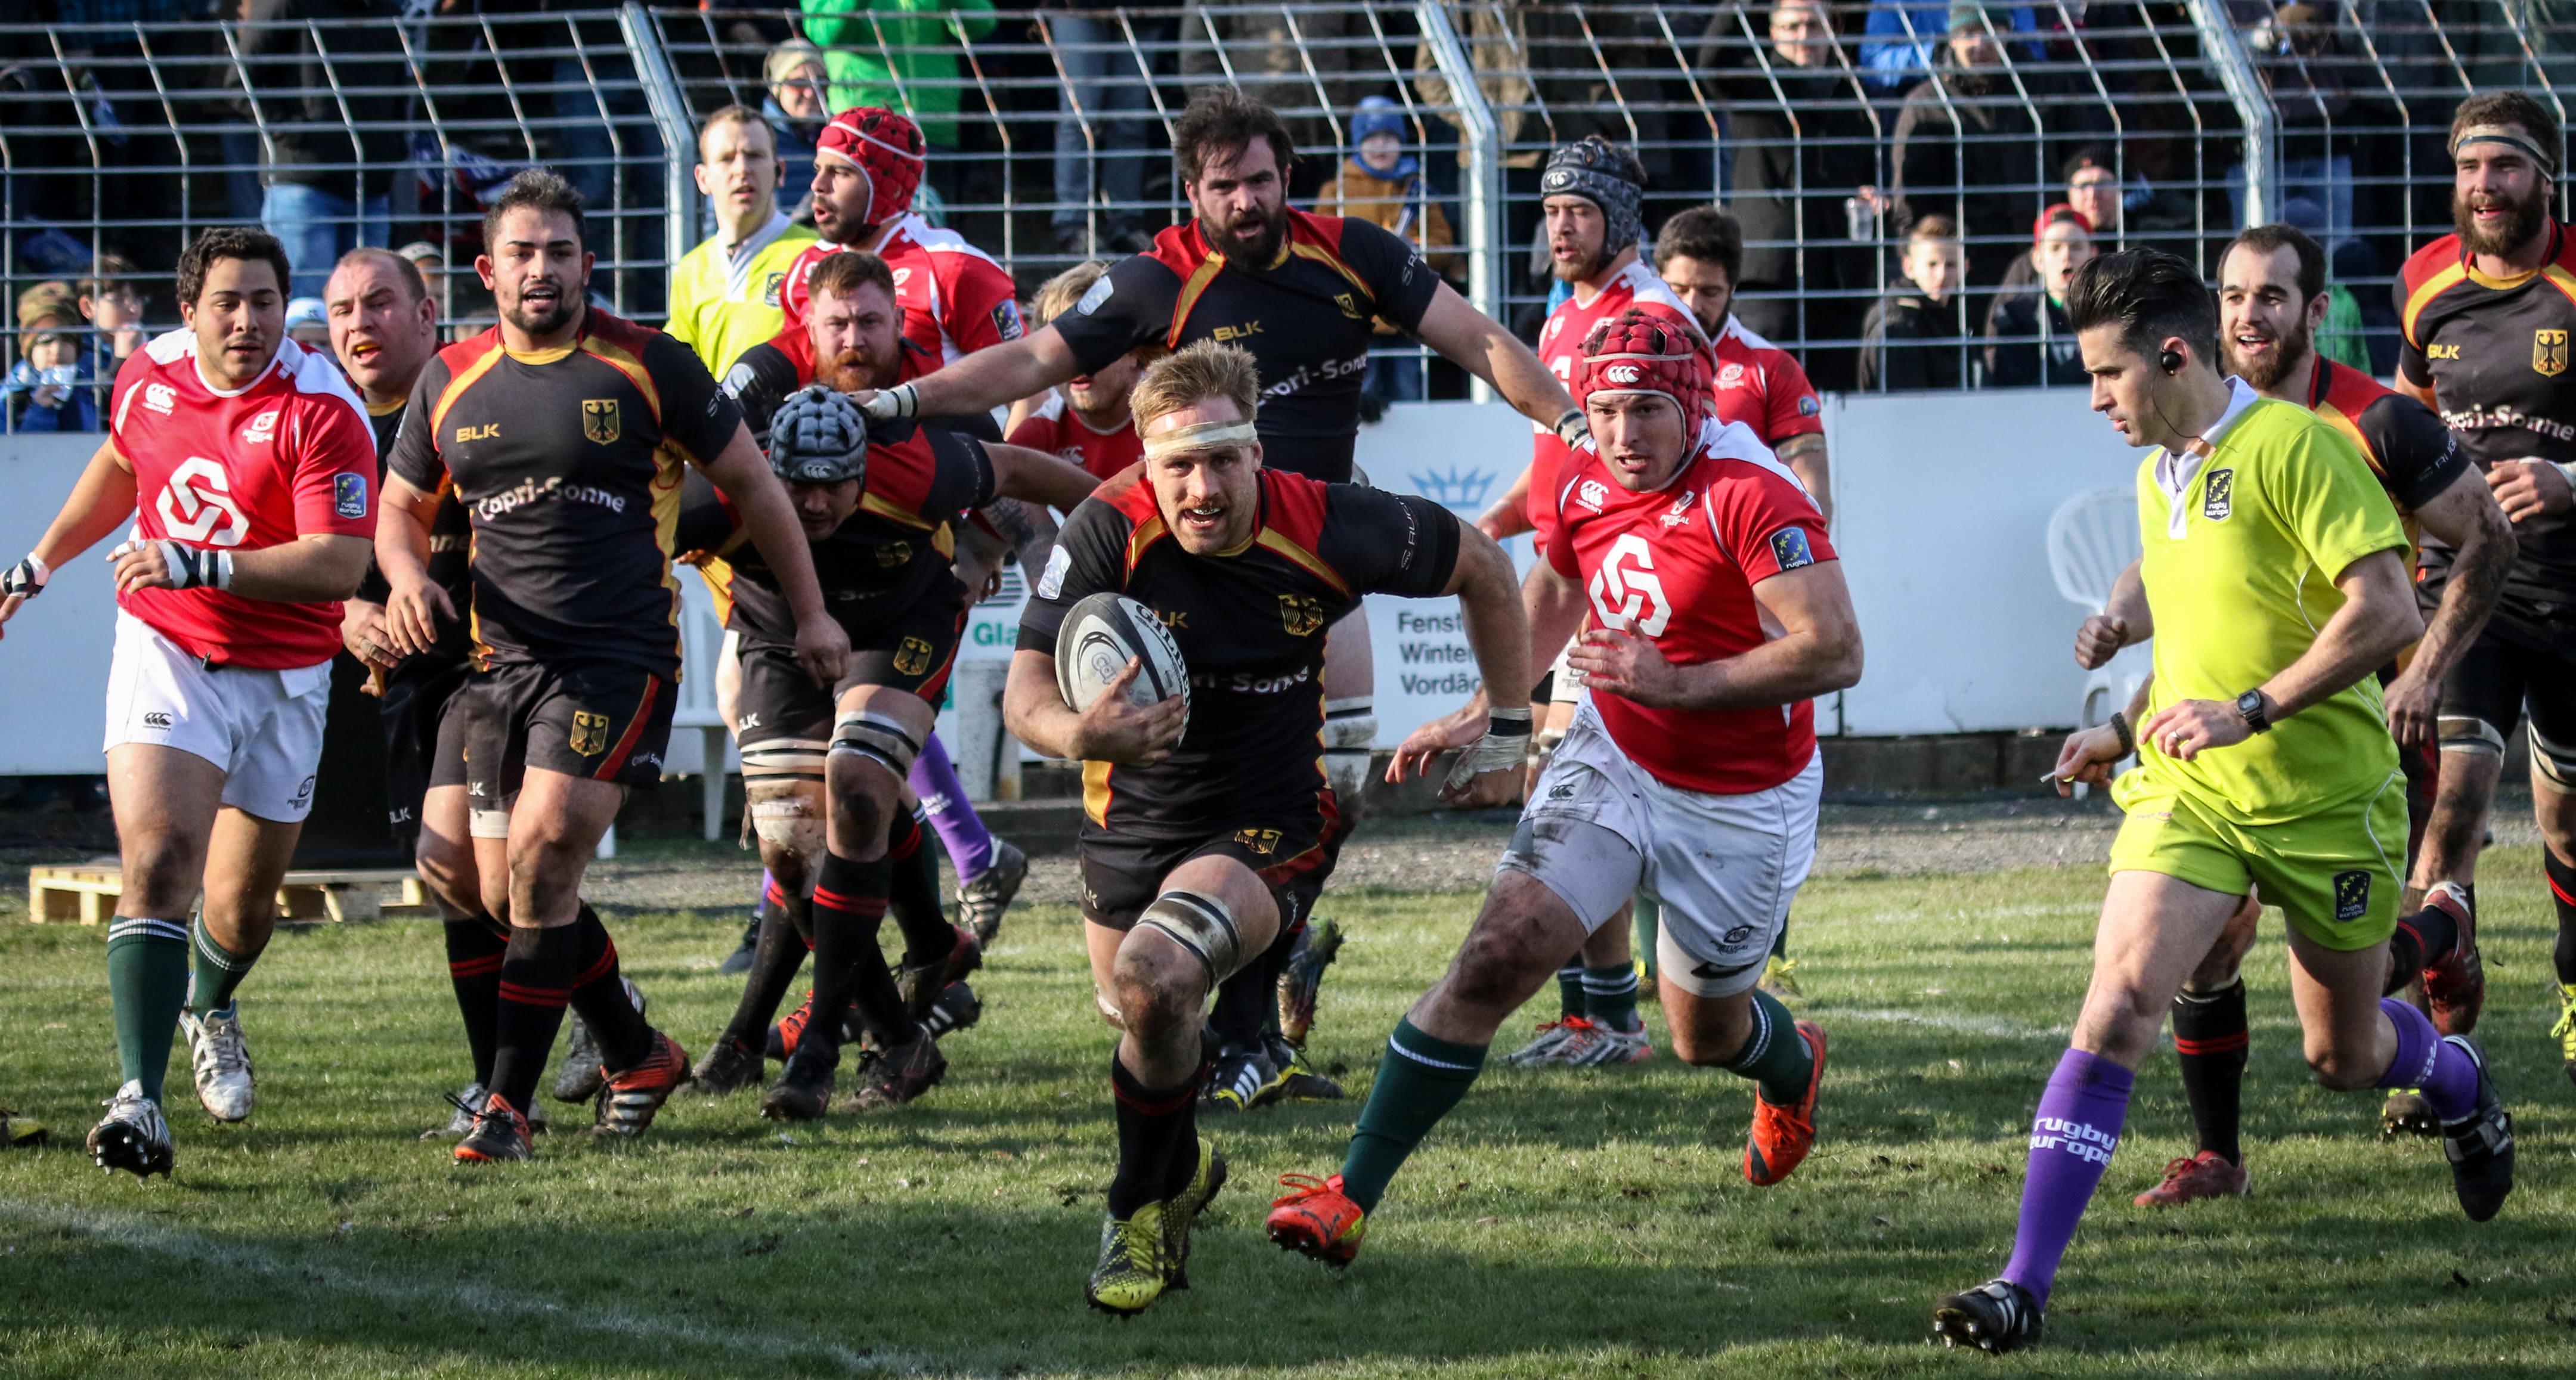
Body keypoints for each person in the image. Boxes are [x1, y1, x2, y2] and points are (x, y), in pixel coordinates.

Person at [866, 86, 1578, 1097]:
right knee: (1139, 973)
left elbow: (1481, 341)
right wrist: (903, 400)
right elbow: (1029, 358)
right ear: (1191, 193)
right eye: (1222, 186)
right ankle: (1219, 1001)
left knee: (1332, 787)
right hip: (1193, 567)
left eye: (1258, 180)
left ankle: (1251, 1027)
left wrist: (1571, 421)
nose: (1244, 201)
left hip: (1316, 543)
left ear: (1287, 176)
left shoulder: (1355, 254)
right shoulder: (1159, 277)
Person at [1931, 249, 2515, 1354]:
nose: (2094, 400)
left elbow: (2390, 610)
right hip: (2192, 795)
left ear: (2172, 356)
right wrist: (2122, 728)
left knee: (2344, 1056)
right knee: (2118, 1004)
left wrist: (2254, 710)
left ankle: (2455, 1073)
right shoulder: (2161, 473)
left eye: (2106, 375)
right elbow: (2202, 645)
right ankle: (2021, 1285)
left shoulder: (2298, 446)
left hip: (2326, 798)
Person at [1267, 303, 1860, 1267]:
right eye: (1607, 411)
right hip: (1614, 756)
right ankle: (1350, 1195)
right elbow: (1553, 588)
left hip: (1743, 796)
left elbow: (1835, 650)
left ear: (1695, 407)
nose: (1623, 434)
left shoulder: (1754, 493)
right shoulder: (1582, 471)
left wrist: (1681, 684)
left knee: (1704, 1035)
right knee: (1494, 957)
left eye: (1647, 411)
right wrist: (1491, 707)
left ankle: (1792, 1068)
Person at [1005, 339, 1534, 1314]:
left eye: (1223, 460)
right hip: (1132, 815)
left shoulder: (1329, 520)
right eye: (1179, 466)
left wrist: (1507, 730)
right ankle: (1179, 1169)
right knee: (1144, 1021)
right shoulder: (1106, 529)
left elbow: (1487, 569)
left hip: (1270, 812)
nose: (1203, 488)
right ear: (1146, 464)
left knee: (1159, 975)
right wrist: (1080, 733)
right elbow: (1025, 690)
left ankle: (1133, 1217)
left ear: (1257, 452)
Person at [376, 170, 847, 1164]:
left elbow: (756, 487)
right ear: (487, 271)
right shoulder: (449, 378)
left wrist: (811, 613)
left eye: (559, 251)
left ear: (587, 264)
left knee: (544, 857)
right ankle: (635, 1048)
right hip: (494, 665)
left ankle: (507, 1109)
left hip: (615, 659)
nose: (540, 269)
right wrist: (408, 577)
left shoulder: (649, 364)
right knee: (467, 877)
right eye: (521, 252)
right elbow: (399, 508)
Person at [2075, 222, 2516, 1204]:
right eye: (2233, 295)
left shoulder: (2374, 424)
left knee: (2345, 1036)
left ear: (2315, 309)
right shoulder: (2186, 436)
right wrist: (2124, 713)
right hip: (2225, 752)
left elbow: (2486, 538)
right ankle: (2219, 1155)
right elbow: (2201, 608)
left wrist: (2425, 672)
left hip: (2359, 723)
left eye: (2271, 296)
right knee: (2200, 944)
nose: (2250, 314)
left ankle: (2436, 933)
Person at [0, 227, 379, 1177]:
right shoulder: (148, 375)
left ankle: (209, 1003)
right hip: (168, 647)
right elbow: (123, 462)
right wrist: (41, 561)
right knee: (162, 856)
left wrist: (196, 558)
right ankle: (140, 1097)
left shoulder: (324, 407)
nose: (248, 321)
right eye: (228, 303)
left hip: (287, 671)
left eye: (265, 302)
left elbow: (338, 563)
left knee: (242, 911)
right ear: (189, 312)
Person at [685, 250, 1095, 1113]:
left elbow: (1021, 473)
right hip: (775, 632)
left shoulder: (920, 456)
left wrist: (1122, 522)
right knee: (793, 849)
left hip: (898, 621)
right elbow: (630, 526)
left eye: (836, 488)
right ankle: (904, 1024)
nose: (817, 506)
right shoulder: (725, 477)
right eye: (798, 491)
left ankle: (816, 1052)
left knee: (860, 787)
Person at [1475, 136, 1705, 1068]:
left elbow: (1677, 455)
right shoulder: (1568, 314)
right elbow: (1561, 457)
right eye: (1550, 211)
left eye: (1579, 210)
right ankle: (1597, 1012)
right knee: (1563, 796)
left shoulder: (1651, 316)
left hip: (1614, 583)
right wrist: (1501, 518)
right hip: (1570, 567)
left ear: (1621, 216)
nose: (1560, 228)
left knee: (1572, 799)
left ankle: (1612, 1017)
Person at [322, 245, 531, 1139]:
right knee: (452, 876)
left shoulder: (477, 395)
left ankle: (570, 1046)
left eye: (379, 303)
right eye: (342, 311)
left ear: (426, 314)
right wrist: (345, 613)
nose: (359, 325)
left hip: (496, 667)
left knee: (512, 872)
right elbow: (313, 554)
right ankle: (529, 1063)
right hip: (408, 680)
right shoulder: (328, 423)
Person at [2391, 92, 2576, 1085]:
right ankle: (2441, 1051)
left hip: (2571, 595)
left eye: (2503, 167)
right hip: (2467, 595)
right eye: (2468, 168)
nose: (2484, 187)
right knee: (2450, 811)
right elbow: (2404, 427)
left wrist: (2569, 480)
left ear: (2547, 176)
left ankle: (2575, 988)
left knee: (2567, 828)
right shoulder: (2425, 284)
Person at [781, 107, 1025, 373]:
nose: (818, 185)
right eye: (818, 169)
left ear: (890, 189)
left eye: (840, 172)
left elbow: (1025, 380)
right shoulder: (806, 267)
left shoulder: (954, 268)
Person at [233, 0, 406, 299]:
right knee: (306, 310)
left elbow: (399, 80)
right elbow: (240, 82)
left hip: (372, 185)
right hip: (303, 184)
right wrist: (293, 133)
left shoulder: (386, 7)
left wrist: (394, 142)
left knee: (371, 307)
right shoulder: (285, 4)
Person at [1314, 95, 1463, 405]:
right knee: (1360, 395)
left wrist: (1416, 250)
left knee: (1410, 392)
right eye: (1372, 138)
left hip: (1406, 315)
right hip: (1356, 316)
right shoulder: (1337, 189)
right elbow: (1318, 247)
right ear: (1358, 142)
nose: (1381, 146)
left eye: (1389, 137)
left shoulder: (1417, 189)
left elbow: (1443, 246)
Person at [1888, 4, 2046, 290]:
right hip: (1958, 270)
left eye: (1991, 31)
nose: (1980, 43)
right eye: (1969, 32)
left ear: (2008, 33)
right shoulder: (1925, 106)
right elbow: (1910, 204)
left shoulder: (2045, 90)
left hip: (2040, 261)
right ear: (1952, 38)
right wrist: (1923, 268)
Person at [667, 106, 819, 380]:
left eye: (755, 156)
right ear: (703, 179)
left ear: (780, 172)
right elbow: (677, 371)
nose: (742, 169)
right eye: (727, 159)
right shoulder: (691, 270)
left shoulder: (815, 255)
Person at [797, 0, 998, 203]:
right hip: (863, 133)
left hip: (932, 127)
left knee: (932, 216)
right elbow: (823, 33)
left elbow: (983, 24)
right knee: (864, 217)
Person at [1008, 261, 1145, 480]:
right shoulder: (1040, 432)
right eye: (1062, 349)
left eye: (1093, 344)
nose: (1078, 362)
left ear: (1135, 351)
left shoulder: (1173, 420)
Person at [1046, 4, 1161, 256]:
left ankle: (1125, 223)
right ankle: (1072, 225)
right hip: (1073, 8)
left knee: (1130, 121)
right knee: (1080, 118)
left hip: (1142, 13)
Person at [1986, 205, 2098, 387]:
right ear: (2038, 259)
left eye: (2076, 247)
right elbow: (2014, 387)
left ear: (2093, 254)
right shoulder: (2015, 315)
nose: (2066, 256)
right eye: (2055, 248)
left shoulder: (2111, 312)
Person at [1859, 214, 1971, 390]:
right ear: (1909, 267)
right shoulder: (1899, 325)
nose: (1942, 275)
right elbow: (1908, 402)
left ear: (1965, 267)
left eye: (1951, 265)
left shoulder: (1952, 313)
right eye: (1932, 264)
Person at [762, 39, 829, 221]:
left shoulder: (836, 137)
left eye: (821, 83)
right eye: (798, 83)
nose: (811, 93)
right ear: (777, 88)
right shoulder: (758, 139)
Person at [7, 305, 99, 434]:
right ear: (30, 352)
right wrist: (41, 411)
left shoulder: (92, 389)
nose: (57, 350)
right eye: (46, 341)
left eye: (66, 340)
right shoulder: (11, 397)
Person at [76, 255, 147, 377]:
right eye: (118, 300)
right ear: (88, 307)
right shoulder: (78, 353)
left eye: (138, 299)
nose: (133, 309)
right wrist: (122, 360)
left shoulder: (156, 345)